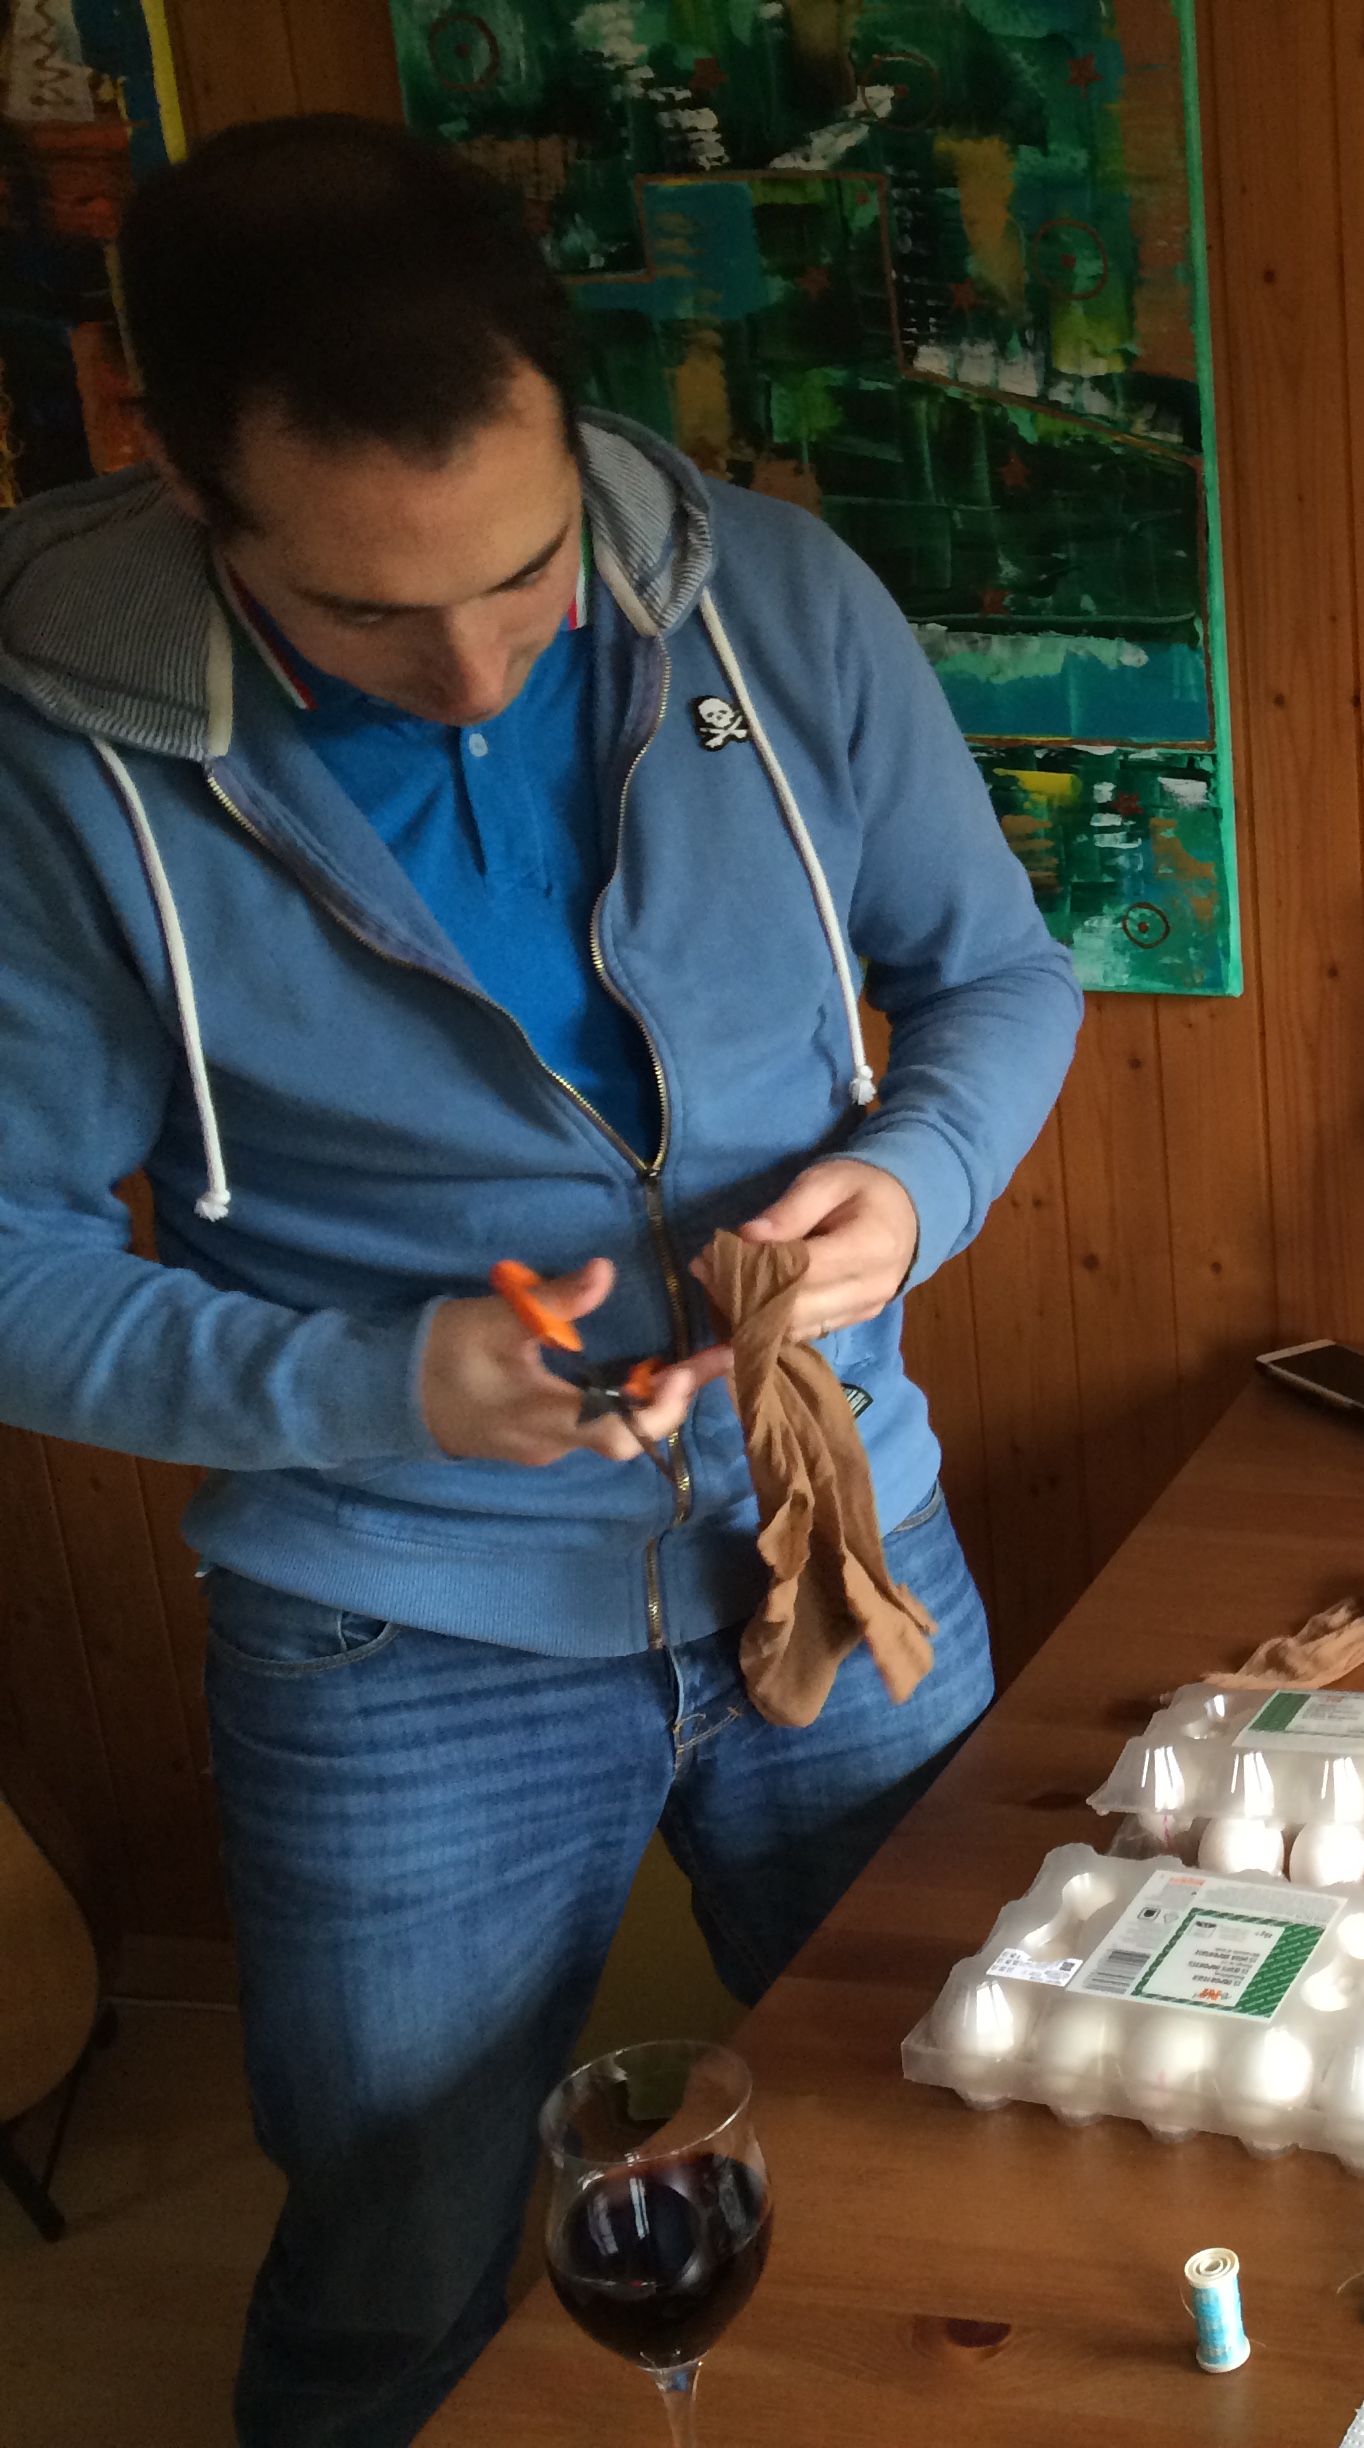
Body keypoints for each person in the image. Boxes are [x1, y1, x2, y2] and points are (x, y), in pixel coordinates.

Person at [0, 119, 1083, 2443]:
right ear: (181, 482)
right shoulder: (52, 755)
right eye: (369, 618)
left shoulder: (776, 598)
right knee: (390, 2273)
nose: (480, 668)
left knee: (975, 2138)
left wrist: (911, 1187)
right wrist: (381, 1382)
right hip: (396, 1634)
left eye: (528, 571)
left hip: (834, 1533)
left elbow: (996, 983)